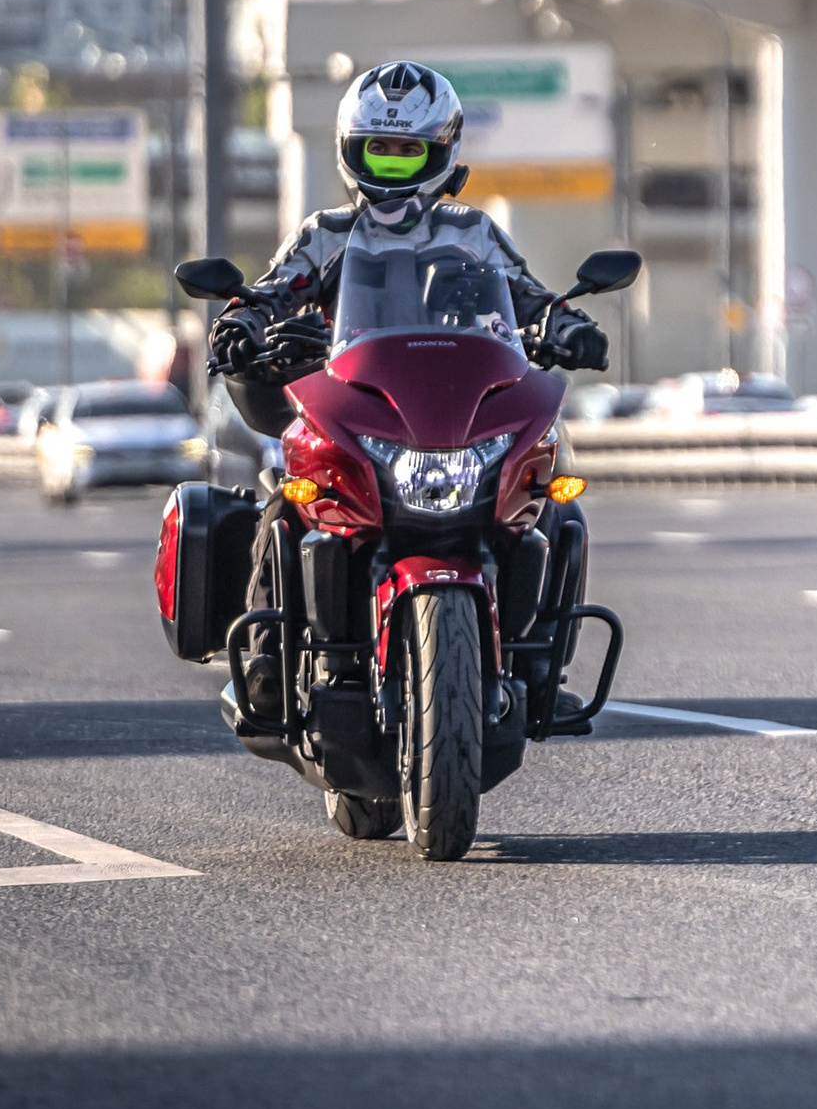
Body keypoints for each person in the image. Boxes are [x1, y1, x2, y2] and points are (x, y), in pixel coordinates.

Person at [208, 61, 609, 727]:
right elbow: (271, 292)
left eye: (408, 151)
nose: (392, 164)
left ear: (442, 152)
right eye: (379, 150)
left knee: (553, 503)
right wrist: (241, 325)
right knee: (289, 498)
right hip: (357, 402)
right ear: (351, 151)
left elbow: (531, 297)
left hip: (456, 407)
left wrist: (569, 326)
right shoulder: (325, 235)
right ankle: (266, 657)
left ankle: (541, 662)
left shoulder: (473, 234)